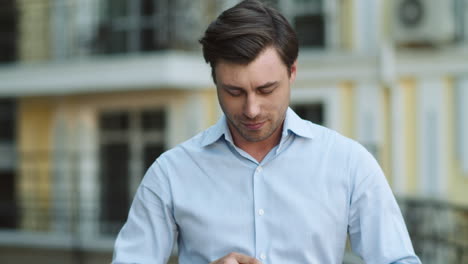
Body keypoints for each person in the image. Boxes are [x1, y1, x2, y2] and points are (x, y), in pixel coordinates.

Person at [113, 0, 421, 263]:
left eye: (266, 89)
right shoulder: (170, 174)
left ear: (293, 73)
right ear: (215, 82)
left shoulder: (350, 163)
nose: (251, 109)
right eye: (234, 92)